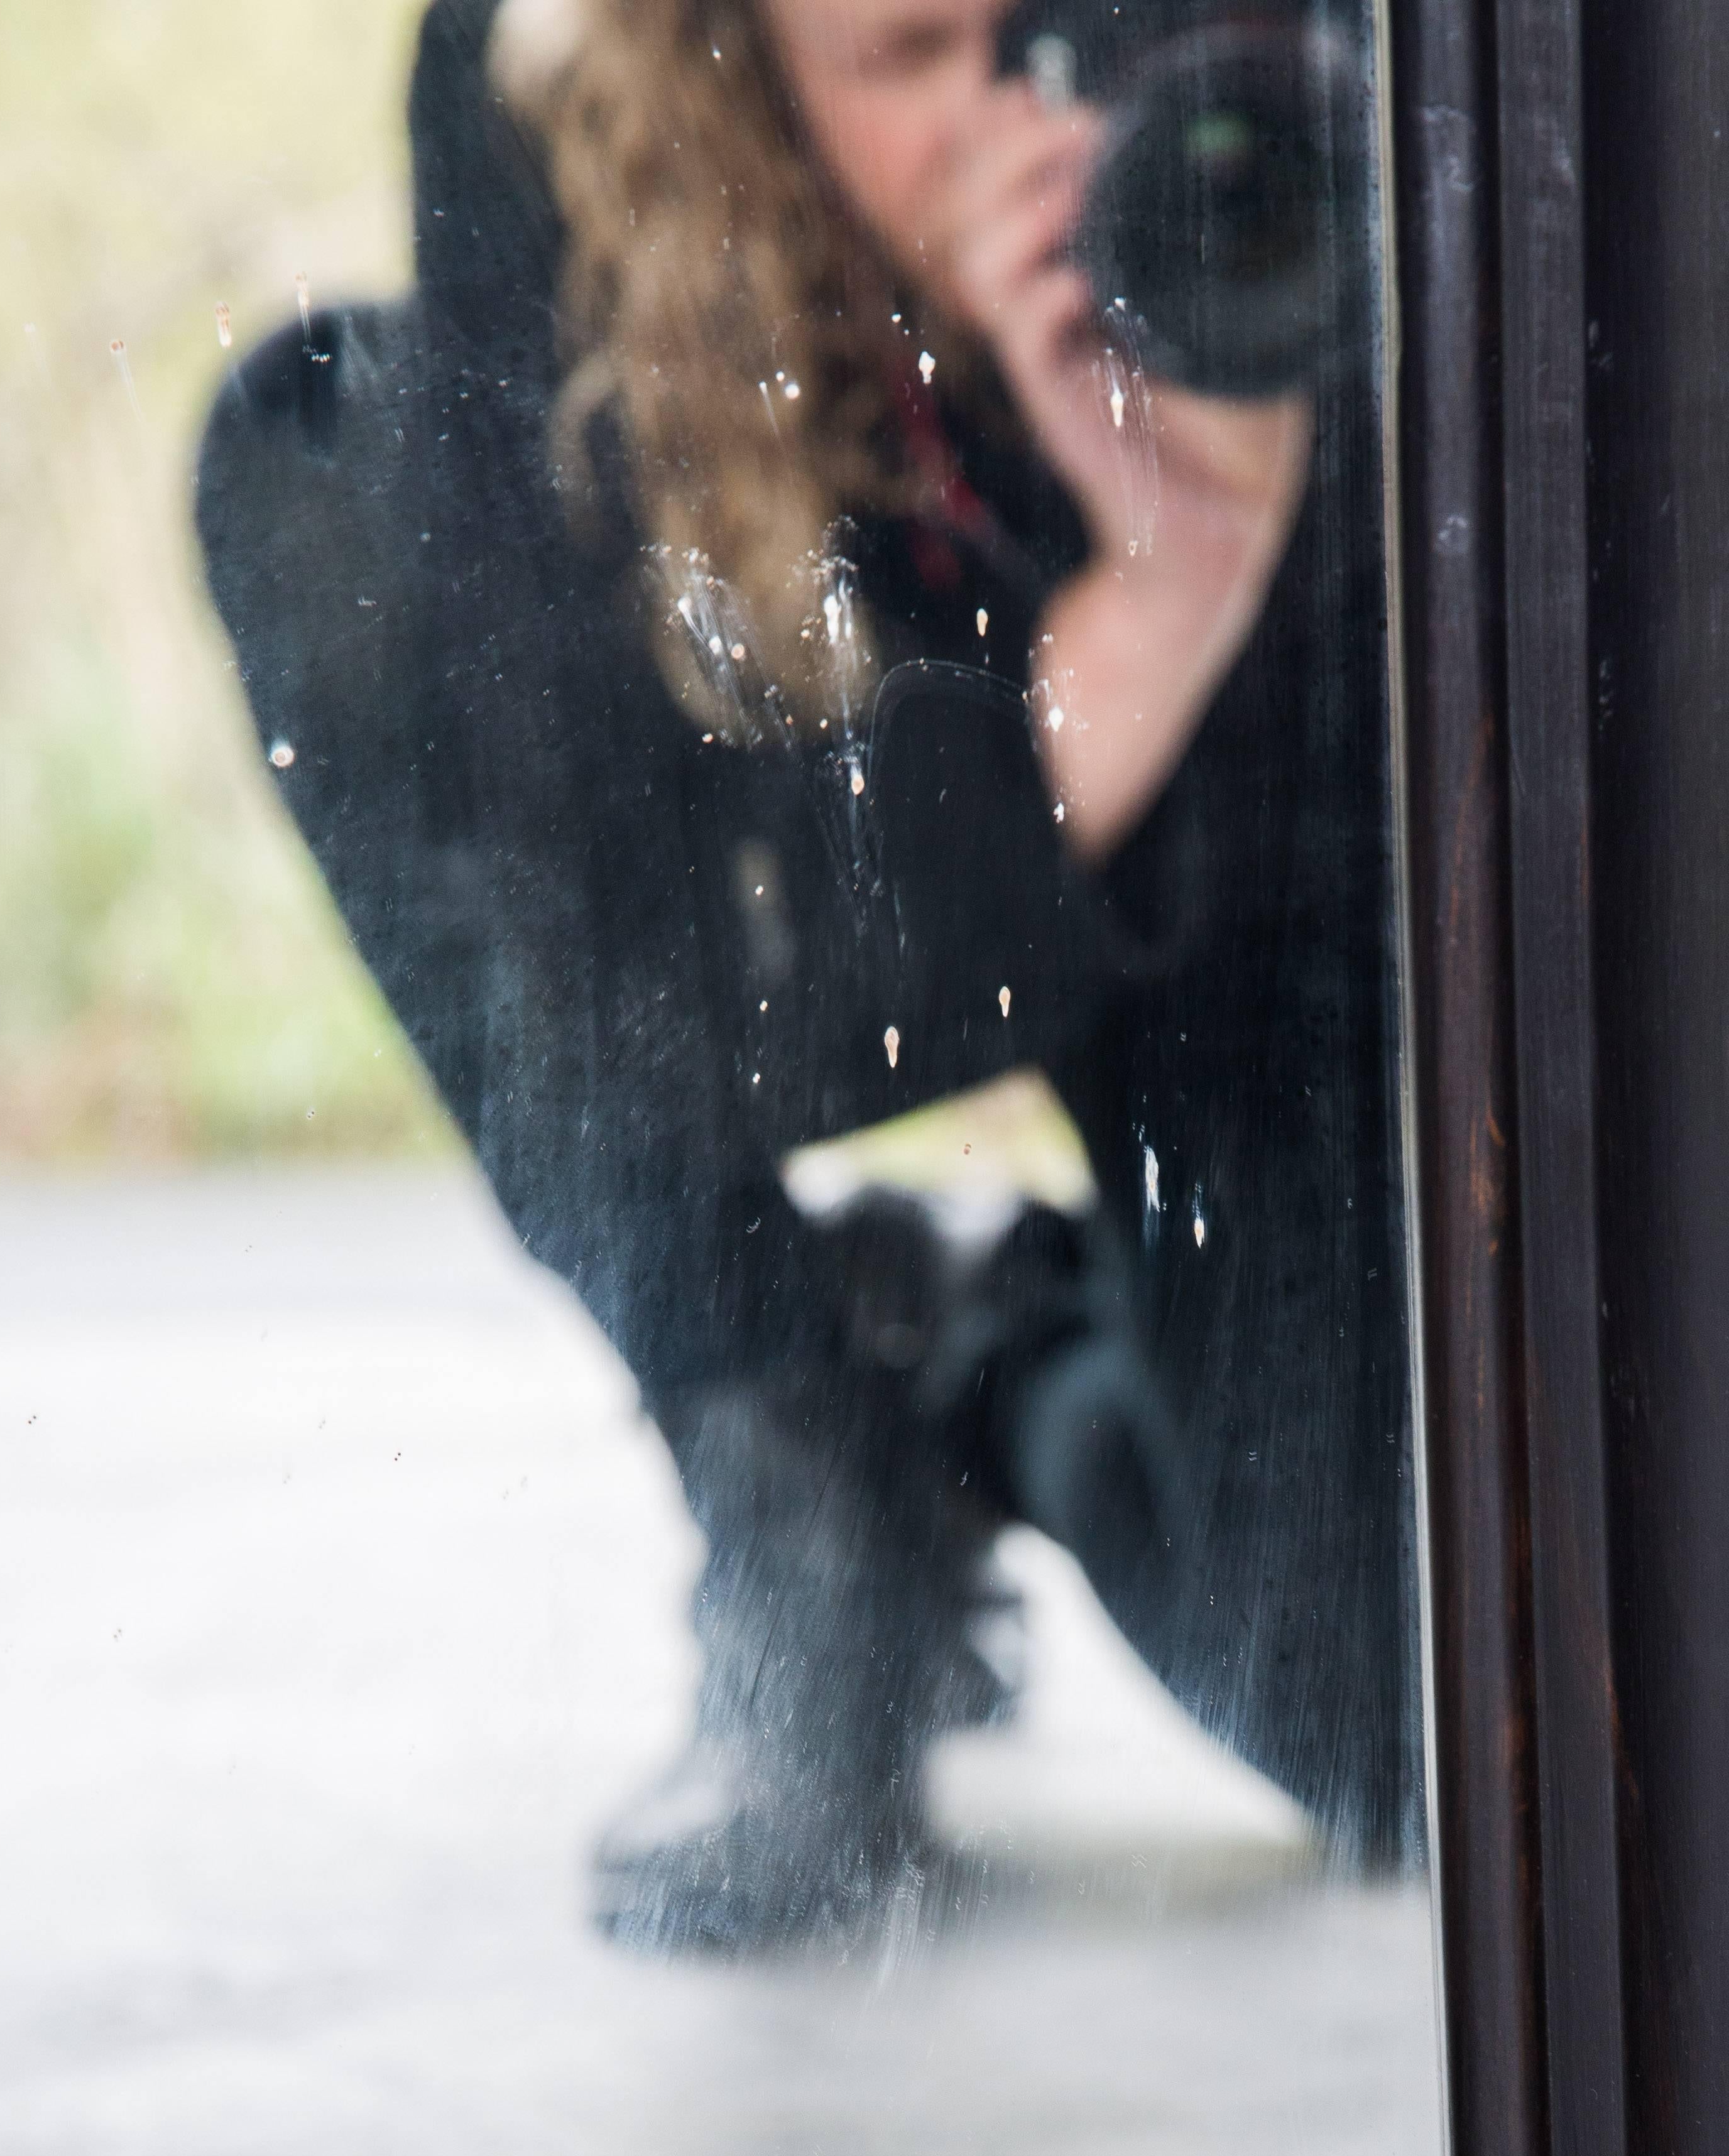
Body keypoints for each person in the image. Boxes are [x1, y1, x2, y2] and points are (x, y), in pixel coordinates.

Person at [197, 0, 1419, 1949]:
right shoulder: (555, 90)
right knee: (325, 456)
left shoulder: (1335, 104)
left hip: (1256, 810)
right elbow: (638, 1006)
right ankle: (790, 1455)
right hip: (902, 779)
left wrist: (1214, 510)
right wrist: (1114, 649)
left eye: (1075, 32)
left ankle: (994, 1358)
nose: (1031, 125)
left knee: (1399, 1724)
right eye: (917, 52)